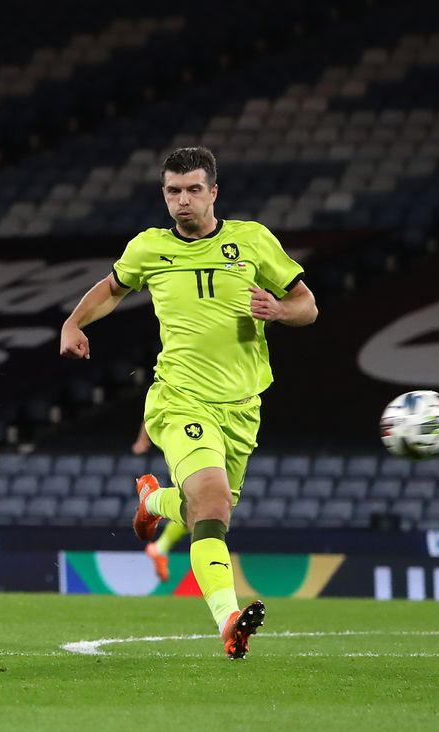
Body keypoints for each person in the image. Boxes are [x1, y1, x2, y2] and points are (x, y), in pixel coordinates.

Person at [60, 147, 317, 659]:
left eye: (193, 190)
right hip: (181, 399)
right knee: (213, 500)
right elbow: (112, 289)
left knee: (212, 514)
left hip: (243, 405)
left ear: (214, 192)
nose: (182, 201)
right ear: (164, 194)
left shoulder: (252, 240)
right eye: (173, 191)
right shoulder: (149, 248)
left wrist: (280, 310)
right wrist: (73, 323)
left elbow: (307, 306)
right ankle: (228, 622)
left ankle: (153, 501)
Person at [131, 421, 188, 583]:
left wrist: (142, 438)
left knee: (202, 511)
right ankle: (151, 501)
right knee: (201, 506)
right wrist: (143, 437)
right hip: (189, 441)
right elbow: (156, 400)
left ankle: (159, 548)